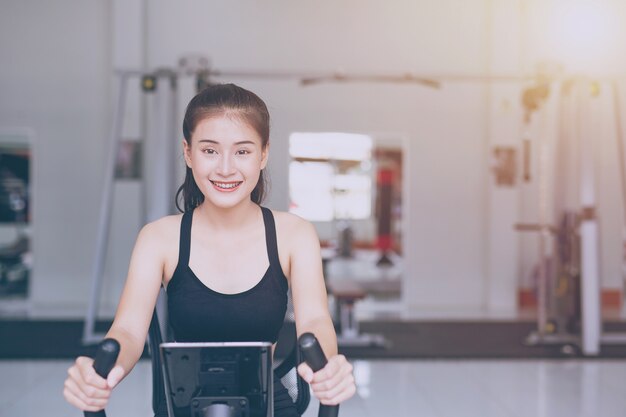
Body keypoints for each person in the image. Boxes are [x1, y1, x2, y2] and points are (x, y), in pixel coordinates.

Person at [63, 83, 356, 416]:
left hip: (269, 406)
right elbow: (128, 330)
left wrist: (327, 366)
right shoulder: (159, 238)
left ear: (263, 154)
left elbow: (316, 320)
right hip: (186, 406)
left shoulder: (295, 234)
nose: (226, 168)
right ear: (188, 153)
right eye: (210, 150)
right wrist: (100, 374)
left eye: (243, 151)